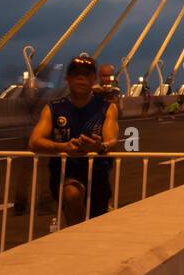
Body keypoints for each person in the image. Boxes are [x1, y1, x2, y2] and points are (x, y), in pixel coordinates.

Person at [28, 53, 119, 227]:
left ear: (94, 79)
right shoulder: (54, 108)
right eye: (76, 74)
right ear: (67, 78)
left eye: (86, 75)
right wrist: (64, 147)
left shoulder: (106, 108)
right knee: (71, 194)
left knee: (96, 223)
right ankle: (76, 238)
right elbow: (34, 142)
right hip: (65, 174)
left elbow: (112, 140)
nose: (81, 78)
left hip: (98, 176)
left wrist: (98, 146)